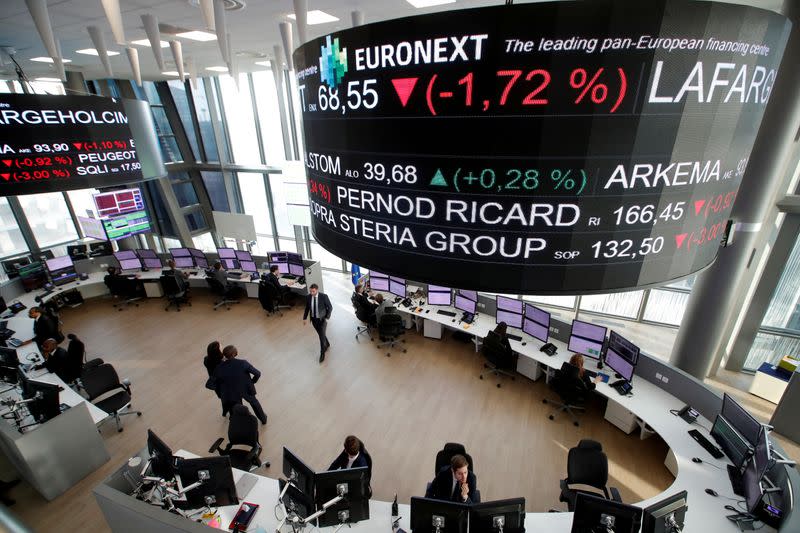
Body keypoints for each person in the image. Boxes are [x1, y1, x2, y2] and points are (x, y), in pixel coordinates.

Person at [207, 345, 267, 424]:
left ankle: (240, 424)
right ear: (235, 354)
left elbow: (209, 384)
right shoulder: (243, 363)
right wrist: (252, 381)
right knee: (254, 403)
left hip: (231, 393)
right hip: (246, 388)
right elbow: (258, 373)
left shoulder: (219, 368)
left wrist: (223, 388)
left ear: (224, 355)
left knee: (236, 410)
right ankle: (263, 419)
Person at [303, 284, 333, 363]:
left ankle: (322, 353)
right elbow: (307, 308)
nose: (312, 293)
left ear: (317, 290)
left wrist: (327, 316)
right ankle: (327, 343)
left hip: (322, 320)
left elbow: (330, 307)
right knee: (321, 334)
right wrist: (304, 318)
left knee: (321, 337)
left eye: (313, 291)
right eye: (310, 291)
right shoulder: (309, 297)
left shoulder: (324, 296)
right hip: (314, 320)